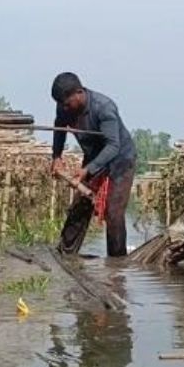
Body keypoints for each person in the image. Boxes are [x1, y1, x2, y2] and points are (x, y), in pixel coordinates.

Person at [50, 72, 136, 257]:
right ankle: (65, 254)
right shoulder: (63, 107)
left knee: (113, 213)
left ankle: (116, 263)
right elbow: (59, 128)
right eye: (61, 104)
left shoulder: (104, 108)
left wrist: (88, 170)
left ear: (79, 93)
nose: (64, 108)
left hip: (120, 159)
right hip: (93, 155)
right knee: (80, 205)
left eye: (67, 104)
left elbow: (113, 146)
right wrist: (56, 156)